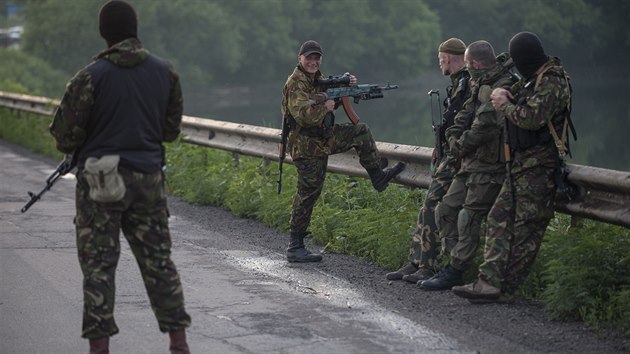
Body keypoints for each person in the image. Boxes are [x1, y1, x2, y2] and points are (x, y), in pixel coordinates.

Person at [49, 1, 191, 353]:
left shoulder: (89, 76)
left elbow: (64, 137)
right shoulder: (165, 72)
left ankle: (100, 349)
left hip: (101, 184)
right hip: (148, 179)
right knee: (158, 264)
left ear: (104, 33)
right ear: (134, 29)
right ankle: (179, 344)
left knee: (99, 268)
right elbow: (170, 132)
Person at [452, 32, 573, 302]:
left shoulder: (553, 80)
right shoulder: (533, 78)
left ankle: (505, 288)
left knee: (526, 231)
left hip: (539, 168)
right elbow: (513, 96)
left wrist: (505, 105)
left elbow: (532, 118)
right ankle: (488, 283)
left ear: (527, 57)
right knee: (498, 218)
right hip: (519, 166)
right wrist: (504, 93)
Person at [281, 40, 405, 263]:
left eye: (317, 58)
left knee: (360, 131)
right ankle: (295, 246)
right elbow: (303, 115)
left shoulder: (316, 79)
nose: (313, 62)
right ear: (300, 59)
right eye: (309, 58)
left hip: (323, 139)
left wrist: (344, 92)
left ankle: (377, 176)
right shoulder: (296, 83)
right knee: (308, 193)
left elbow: (327, 98)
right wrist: (325, 105)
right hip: (306, 146)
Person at [419, 40, 516, 290]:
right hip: (469, 161)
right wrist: (452, 135)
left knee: (468, 216)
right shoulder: (477, 81)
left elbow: (485, 123)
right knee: (446, 210)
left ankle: (456, 269)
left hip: (490, 164)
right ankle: (453, 264)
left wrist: (459, 143)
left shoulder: (503, 83)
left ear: (473, 62)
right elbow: (464, 113)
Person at [386, 38, 471, 283]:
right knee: (428, 207)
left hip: (459, 159)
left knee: (433, 206)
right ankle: (417, 262)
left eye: (440, 58)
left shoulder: (468, 84)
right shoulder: (458, 84)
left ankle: (428, 265)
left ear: (449, 58)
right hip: (448, 155)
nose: (439, 63)